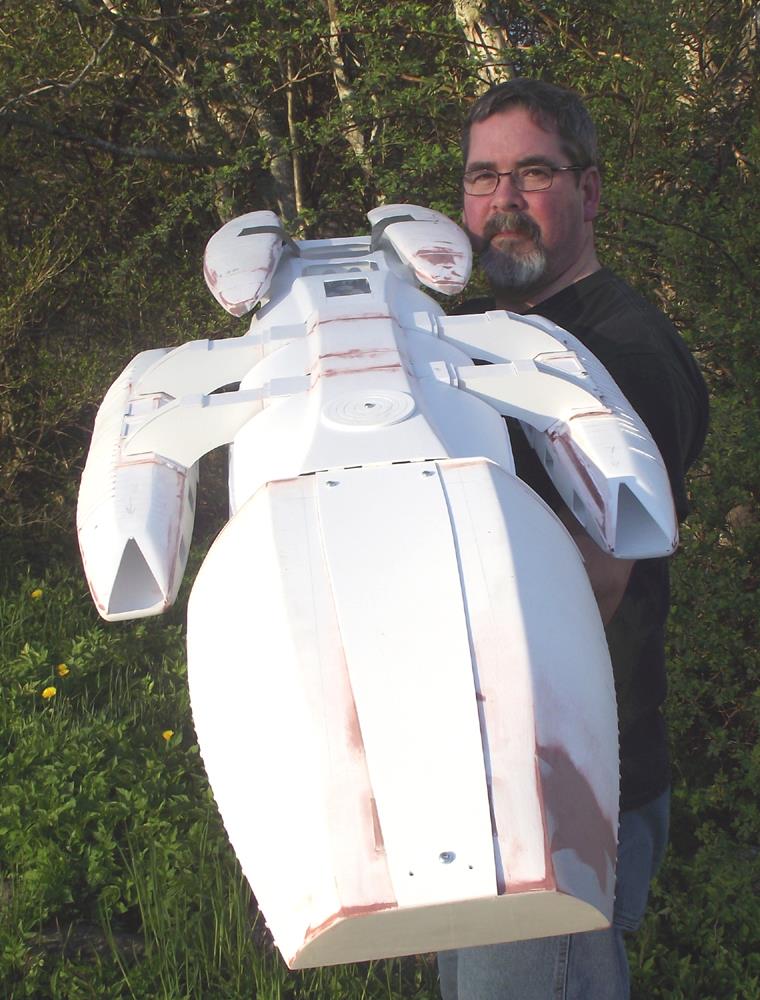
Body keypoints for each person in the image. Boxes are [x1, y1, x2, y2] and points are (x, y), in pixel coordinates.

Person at [437, 78, 709, 1000]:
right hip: (483, 775)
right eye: (483, 178)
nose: (503, 202)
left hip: (562, 788)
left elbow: (588, 585)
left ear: (589, 192)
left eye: (533, 173)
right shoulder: (487, 339)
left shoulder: (623, 358)